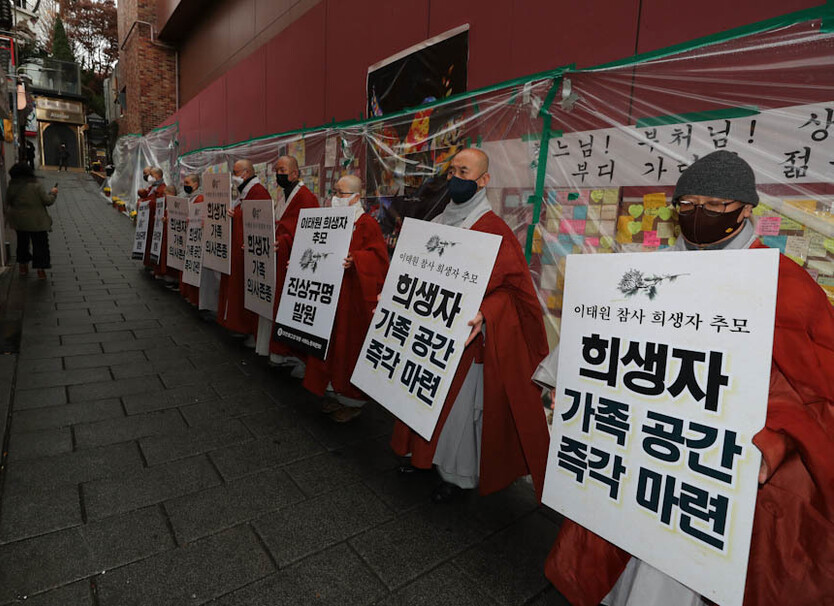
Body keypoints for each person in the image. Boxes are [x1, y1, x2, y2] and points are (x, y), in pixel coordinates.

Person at [535, 150, 834, 606]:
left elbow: (812, 387)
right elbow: (603, 339)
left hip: (712, 457)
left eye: (715, 206)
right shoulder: (647, 273)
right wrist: (568, 383)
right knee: (615, 539)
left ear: (746, 209)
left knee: (673, 569)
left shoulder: (784, 284)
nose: (699, 216)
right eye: (688, 204)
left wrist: (773, 441)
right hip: (640, 439)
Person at [390, 148, 550, 503]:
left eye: (465, 172)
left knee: (456, 416)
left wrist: (486, 312)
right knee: (421, 396)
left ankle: (456, 476)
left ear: (483, 181)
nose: (456, 178)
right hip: (428, 333)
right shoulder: (436, 223)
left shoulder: (494, 229)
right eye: (452, 171)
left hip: (465, 339)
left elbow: (514, 293)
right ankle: (421, 458)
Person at [302, 175, 389, 422]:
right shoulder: (330, 220)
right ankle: (331, 390)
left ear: (355, 197)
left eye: (341, 194)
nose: (335, 198)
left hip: (353, 297)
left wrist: (357, 259)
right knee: (329, 345)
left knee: (349, 346)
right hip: (331, 294)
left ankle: (352, 400)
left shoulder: (366, 224)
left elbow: (380, 259)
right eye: (335, 192)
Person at [270, 155, 320, 370]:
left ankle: (294, 354)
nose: (278, 174)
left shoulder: (306, 198)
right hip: (280, 255)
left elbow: (308, 232)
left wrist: (284, 241)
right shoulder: (285, 195)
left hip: (293, 259)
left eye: (282, 169)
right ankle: (281, 351)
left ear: (295, 173)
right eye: (276, 170)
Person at [218, 159, 267, 344]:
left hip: (246, 250)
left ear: (246, 173)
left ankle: (246, 329)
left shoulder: (258, 192)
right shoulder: (247, 192)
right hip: (238, 248)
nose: (234, 177)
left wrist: (236, 215)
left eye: (236, 173)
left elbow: (259, 220)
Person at [6, 162, 58, 279]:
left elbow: (8, 201)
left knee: (22, 243)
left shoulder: (12, 185)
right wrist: (53, 193)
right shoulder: (36, 186)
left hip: (19, 221)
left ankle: (23, 267)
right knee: (40, 245)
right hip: (37, 221)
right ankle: (40, 270)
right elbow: (47, 201)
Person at [179, 173, 204, 307]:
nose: (185, 186)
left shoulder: (200, 199)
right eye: (184, 183)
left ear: (195, 184)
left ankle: (194, 297)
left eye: (187, 183)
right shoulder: (189, 198)